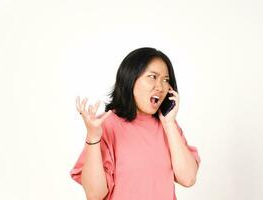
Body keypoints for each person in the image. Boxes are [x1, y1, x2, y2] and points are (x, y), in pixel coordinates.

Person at [70, 47, 201, 200]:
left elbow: (188, 178)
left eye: (166, 80)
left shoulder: (168, 125)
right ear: (130, 79)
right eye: (152, 77)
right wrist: (93, 137)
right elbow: (94, 194)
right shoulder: (106, 125)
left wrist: (170, 123)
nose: (160, 87)